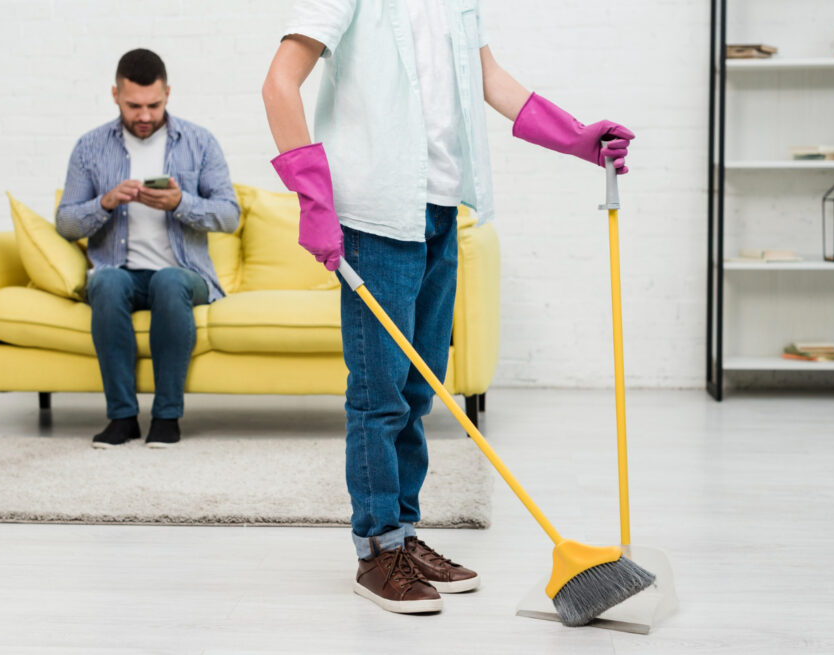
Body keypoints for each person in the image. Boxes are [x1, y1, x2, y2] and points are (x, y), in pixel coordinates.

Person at [262, 1, 634, 614]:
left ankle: (404, 535)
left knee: (417, 392)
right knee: (378, 396)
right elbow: (280, 82)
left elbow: (489, 79)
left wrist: (576, 137)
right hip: (375, 216)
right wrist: (312, 196)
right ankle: (378, 552)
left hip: (438, 210)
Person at [57, 49, 240, 449]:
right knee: (104, 283)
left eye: (153, 105)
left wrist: (181, 204)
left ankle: (167, 416)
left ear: (168, 94)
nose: (144, 115)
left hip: (183, 273)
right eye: (133, 105)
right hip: (120, 272)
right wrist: (105, 203)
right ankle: (122, 418)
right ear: (115, 95)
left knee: (169, 282)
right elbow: (66, 224)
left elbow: (230, 216)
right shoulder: (90, 148)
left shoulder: (199, 142)